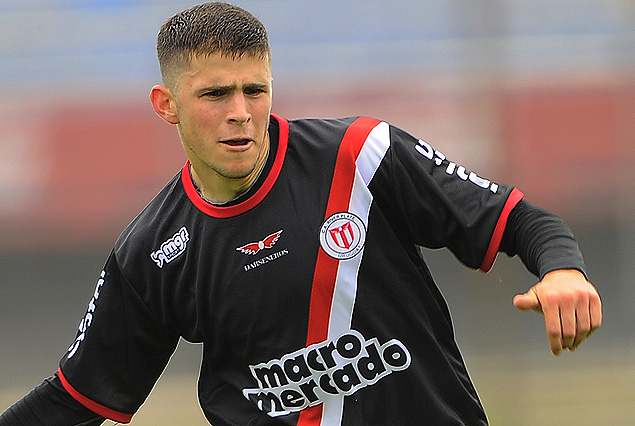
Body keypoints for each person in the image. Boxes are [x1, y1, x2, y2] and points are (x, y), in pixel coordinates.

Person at [0, 2, 602, 426]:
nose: (240, 112)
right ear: (167, 105)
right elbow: (75, 398)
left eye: (254, 91)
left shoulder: (363, 156)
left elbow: (522, 219)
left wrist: (564, 270)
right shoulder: (151, 252)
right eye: (214, 95)